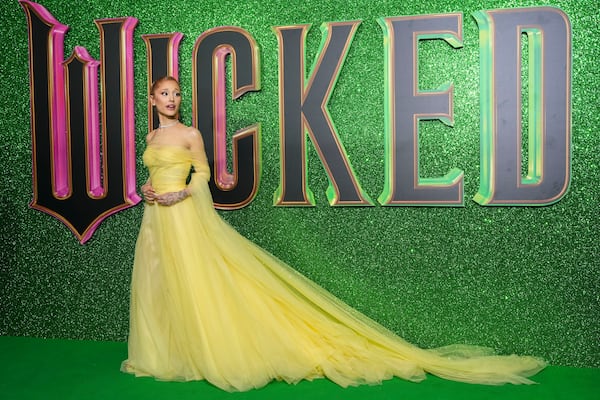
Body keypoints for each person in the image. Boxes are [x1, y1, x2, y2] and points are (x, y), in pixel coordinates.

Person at [121, 76, 547, 392]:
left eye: (177, 94)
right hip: (156, 218)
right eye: (165, 94)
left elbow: (204, 175)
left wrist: (180, 195)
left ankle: (213, 346)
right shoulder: (154, 134)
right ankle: (171, 351)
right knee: (160, 282)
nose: (173, 99)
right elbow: (155, 172)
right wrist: (148, 189)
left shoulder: (190, 133)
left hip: (183, 216)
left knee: (198, 279)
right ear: (154, 99)